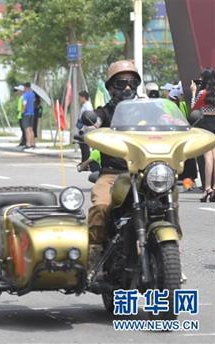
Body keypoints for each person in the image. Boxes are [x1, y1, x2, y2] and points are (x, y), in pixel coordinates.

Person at [86, 60, 142, 262]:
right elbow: (95, 121)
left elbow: (168, 121)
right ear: (110, 87)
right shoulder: (104, 112)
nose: (127, 87)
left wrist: (177, 124)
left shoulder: (146, 110)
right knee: (100, 206)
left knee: (166, 202)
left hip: (144, 172)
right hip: (113, 174)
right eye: (120, 83)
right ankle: (94, 249)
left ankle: (171, 251)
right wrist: (91, 125)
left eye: (132, 83)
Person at [191, 68, 215, 202]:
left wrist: (193, 92)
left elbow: (194, 108)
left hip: (206, 123)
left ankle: (207, 188)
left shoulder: (203, 93)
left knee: (208, 158)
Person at [76, 91, 95, 168]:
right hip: (83, 128)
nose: (79, 99)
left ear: (84, 97)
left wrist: (83, 128)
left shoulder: (88, 106)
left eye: (80, 97)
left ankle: (86, 164)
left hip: (86, 129)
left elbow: (88, 118)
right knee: (82, 146)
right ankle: (83, 162)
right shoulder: (85, 105)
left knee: (85, 146)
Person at [20, 82, 36, 150]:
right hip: (32, 113)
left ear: (26, 87)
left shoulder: (25, 95)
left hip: (26, 114)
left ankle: (28, 144)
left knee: (27, 130)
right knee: (31, 129)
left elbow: (24, 104)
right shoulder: (32, 95)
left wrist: (22, 111)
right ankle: (32, 143)